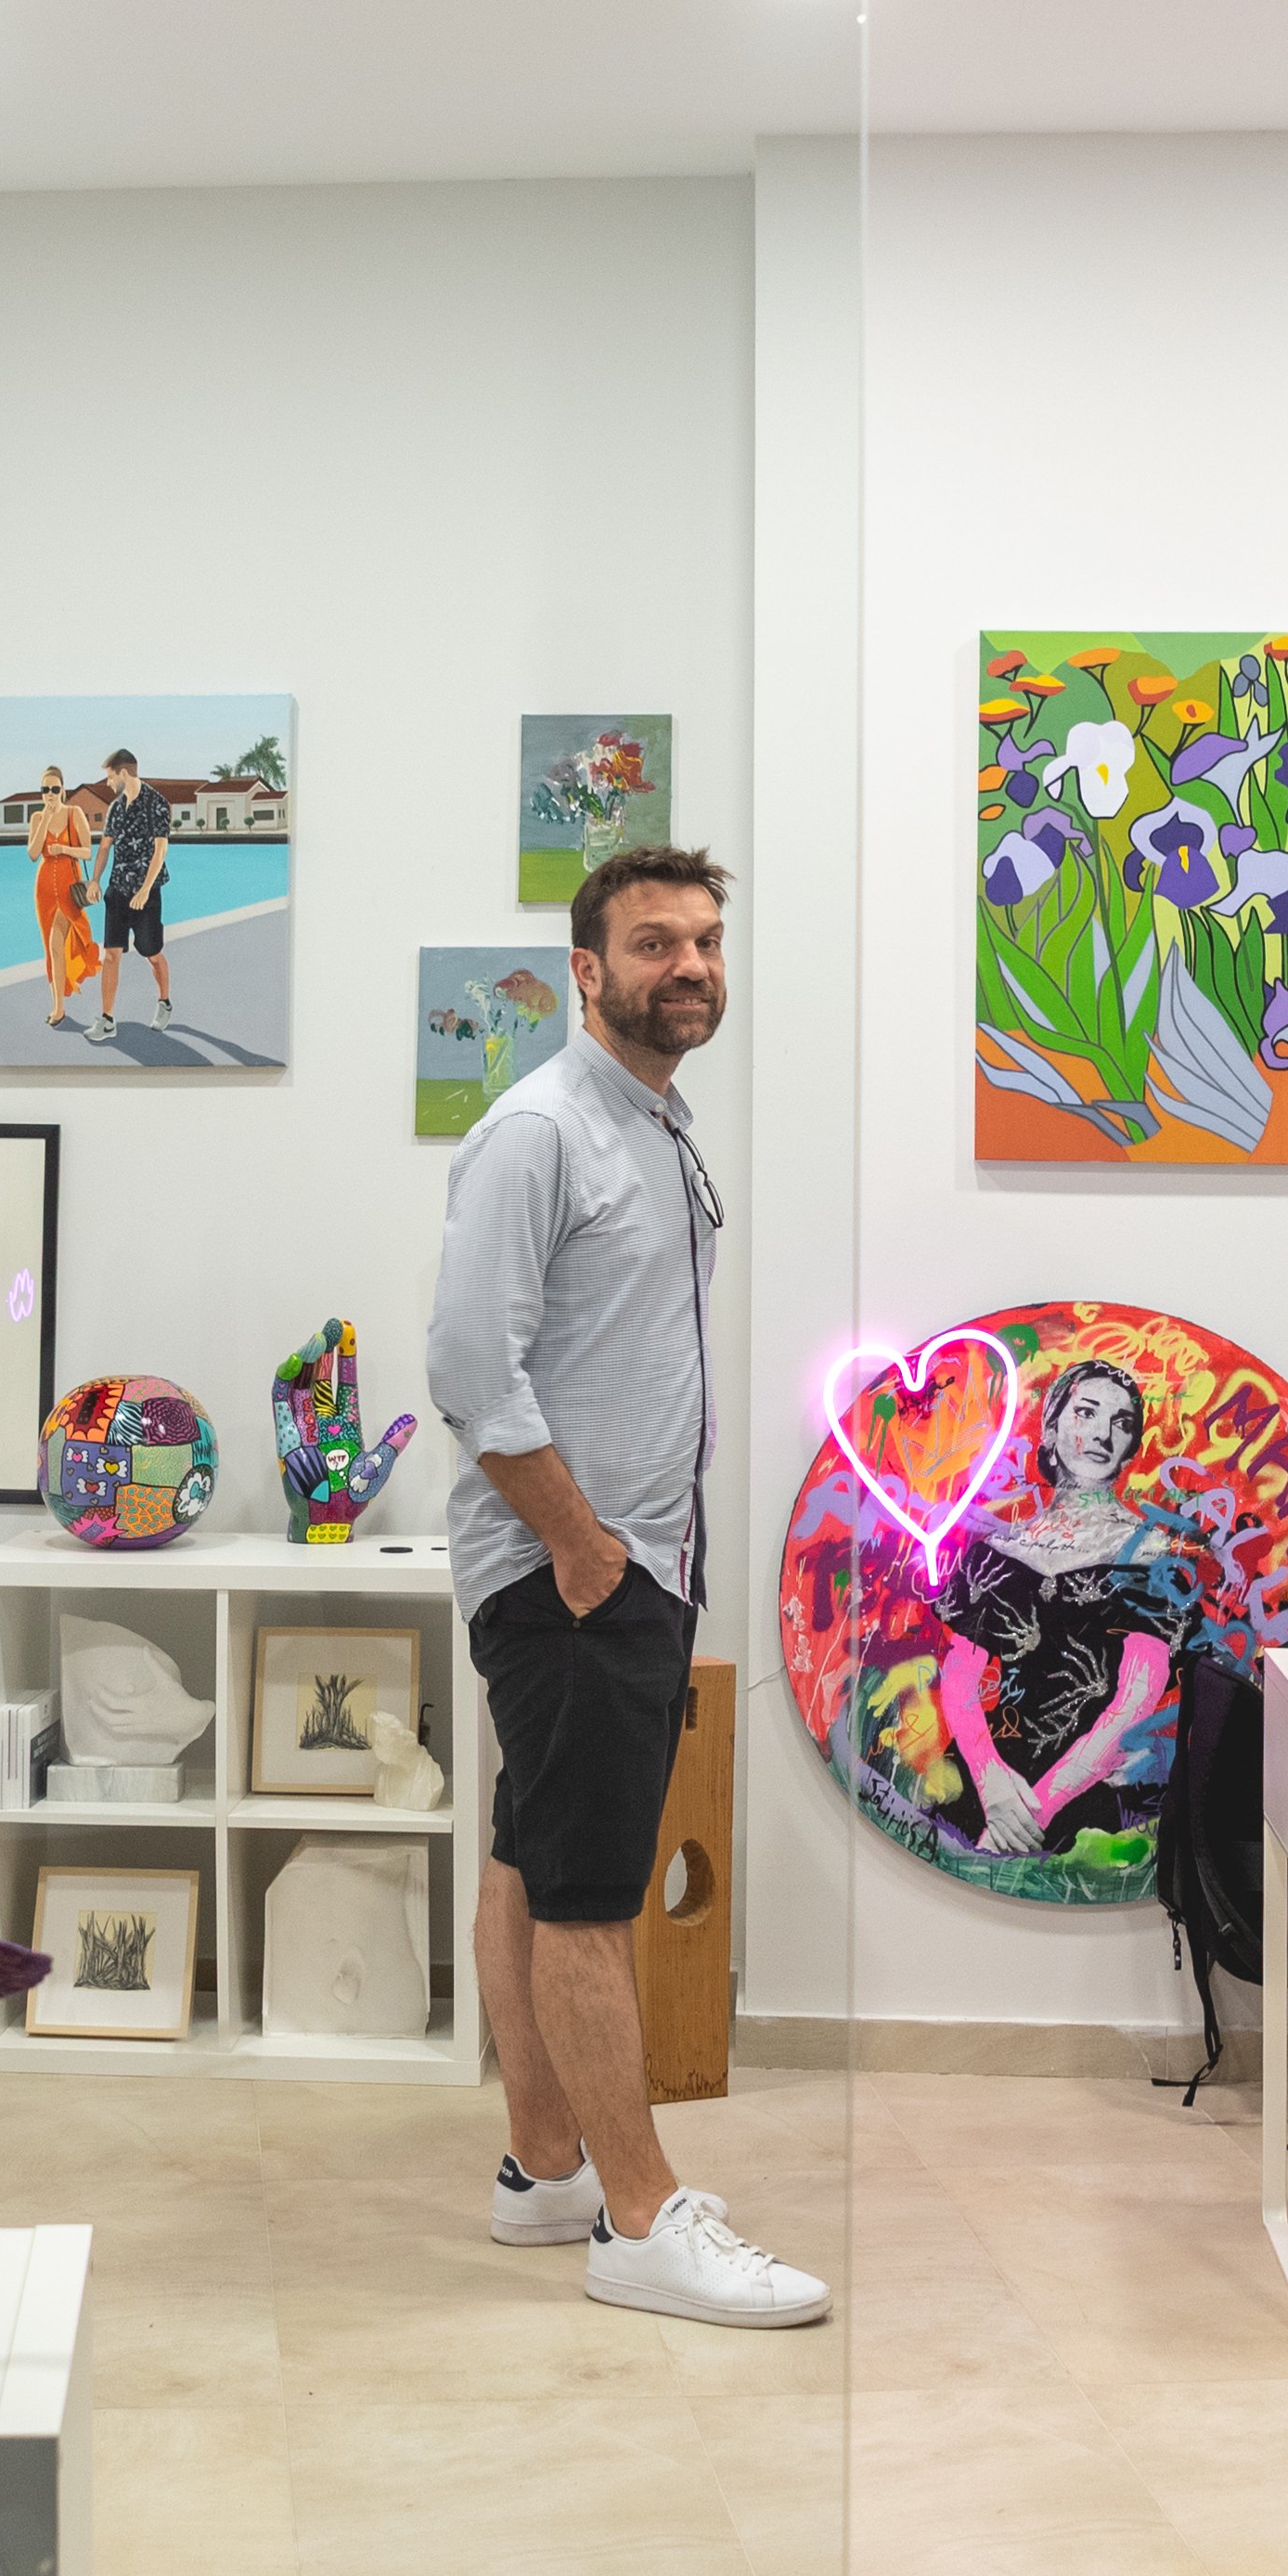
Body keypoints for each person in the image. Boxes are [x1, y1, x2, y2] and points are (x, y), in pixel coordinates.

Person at [426, 838, 825, 2328]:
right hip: (577, 1573)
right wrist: (588, 1550)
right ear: (586, 971)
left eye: (707, 941)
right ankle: (645, 2223)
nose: (693, 967)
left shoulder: (651, 1121)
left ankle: (546, 2174)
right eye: (656, 944)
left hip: (621, 1562)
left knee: (531, 1864)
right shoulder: (543, 1132)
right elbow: (471, 1367)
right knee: (594, 1899)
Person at [934, 1356, 1205, 1864]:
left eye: (1121, 1423)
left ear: (1131, 1448)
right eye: (1086, 1413)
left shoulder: (1151, 1557)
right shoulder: (997, 1550)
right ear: (1052, 1428)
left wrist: (1033, 1814)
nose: (1103, 1433)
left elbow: (1134, 1703)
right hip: (984, 1791)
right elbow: (959, 1682)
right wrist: (993, 1786)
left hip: (1083, 1812)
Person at [93, 750, 182, 1031]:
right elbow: (105, 846)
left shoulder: (155, 803)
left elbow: (161, 849)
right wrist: (95, 880)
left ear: (123, 772)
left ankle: (164, 1001)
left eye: (110, 776)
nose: (107, 783)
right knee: (110, 954)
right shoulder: (115, 808)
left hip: (147, 894)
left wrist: (144, 890)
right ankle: (107, 1020)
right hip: (117, 891)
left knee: (152, 953)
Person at [24, 764, 107, 1036]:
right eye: (45, 789)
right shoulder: (37, 817)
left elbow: (86, 852)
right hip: (45, 887)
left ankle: (59, 1007)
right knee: (50, 948)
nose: (49, 793)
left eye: (54, 789)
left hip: (69, 888)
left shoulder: (75, 813)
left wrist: (63, 849)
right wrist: (46, 820)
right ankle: (57, 1005)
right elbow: (33, 853)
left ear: (63, 790)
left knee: (56, 942)